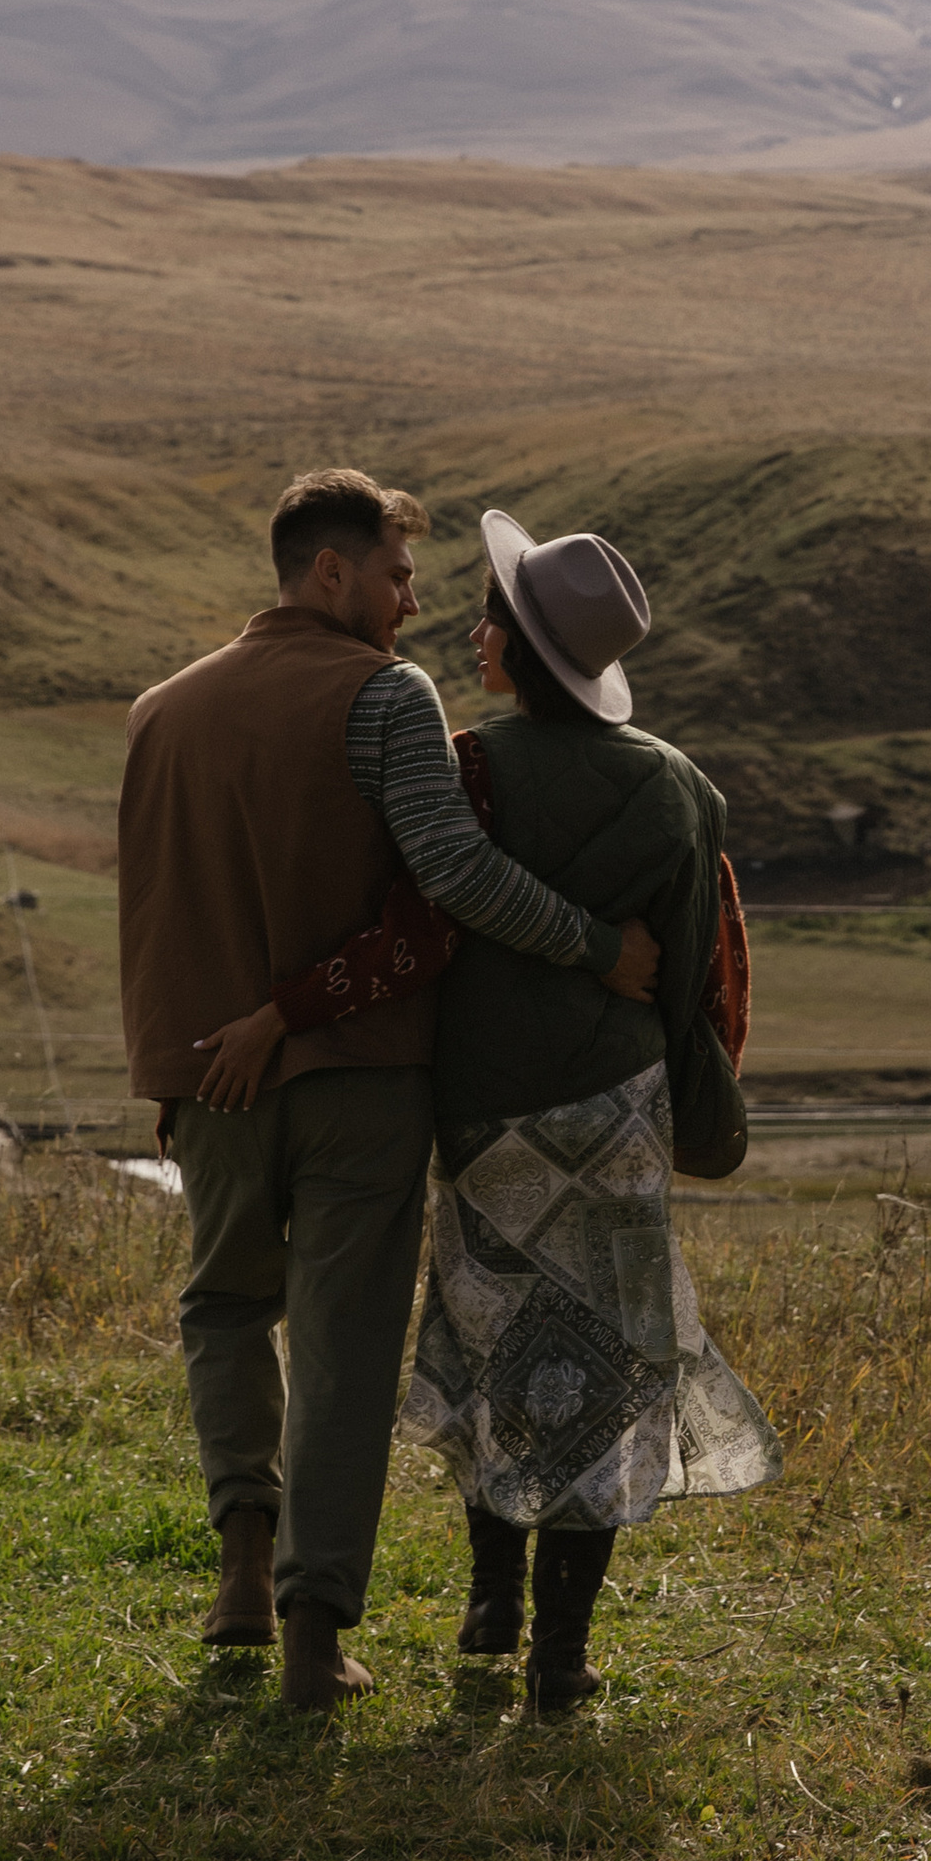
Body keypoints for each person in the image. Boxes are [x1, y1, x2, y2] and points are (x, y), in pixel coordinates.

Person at [116, 469, 661, 1716]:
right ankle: (313, 1635)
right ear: (331, 572)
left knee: (223, 1308)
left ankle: (241, 1559)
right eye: (397, 575)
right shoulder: (384, 696)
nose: (412, 603)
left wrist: (172, 1070)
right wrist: (594, 947)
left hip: (208, 1078)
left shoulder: (159, 711)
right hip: (358, 1075)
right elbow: (454, 874)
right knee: (345, 1347)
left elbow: (154, 906)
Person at [397, 509, 780, 1714]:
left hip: (483, 1116)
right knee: (604, 1372)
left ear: (519, 647)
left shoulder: (464, 767)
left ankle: (491, 1598)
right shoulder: (677, 786)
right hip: (615, 1115)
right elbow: (699, 971)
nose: (473, 634)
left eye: (488, 620)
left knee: (493, 1345)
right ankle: (560, 1655)